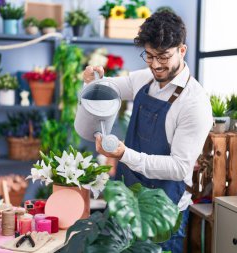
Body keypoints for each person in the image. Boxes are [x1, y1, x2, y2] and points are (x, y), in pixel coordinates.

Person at [83, 11, 212, 253]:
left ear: (182, 50)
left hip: (161, 212)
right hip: (125, 202)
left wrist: (125, 155)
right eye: (149, 55)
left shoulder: (194, 103)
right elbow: (107, 89)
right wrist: (92, 79)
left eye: (163, 56)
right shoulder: (145, 78)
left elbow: (180, 167)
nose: (155, 64)